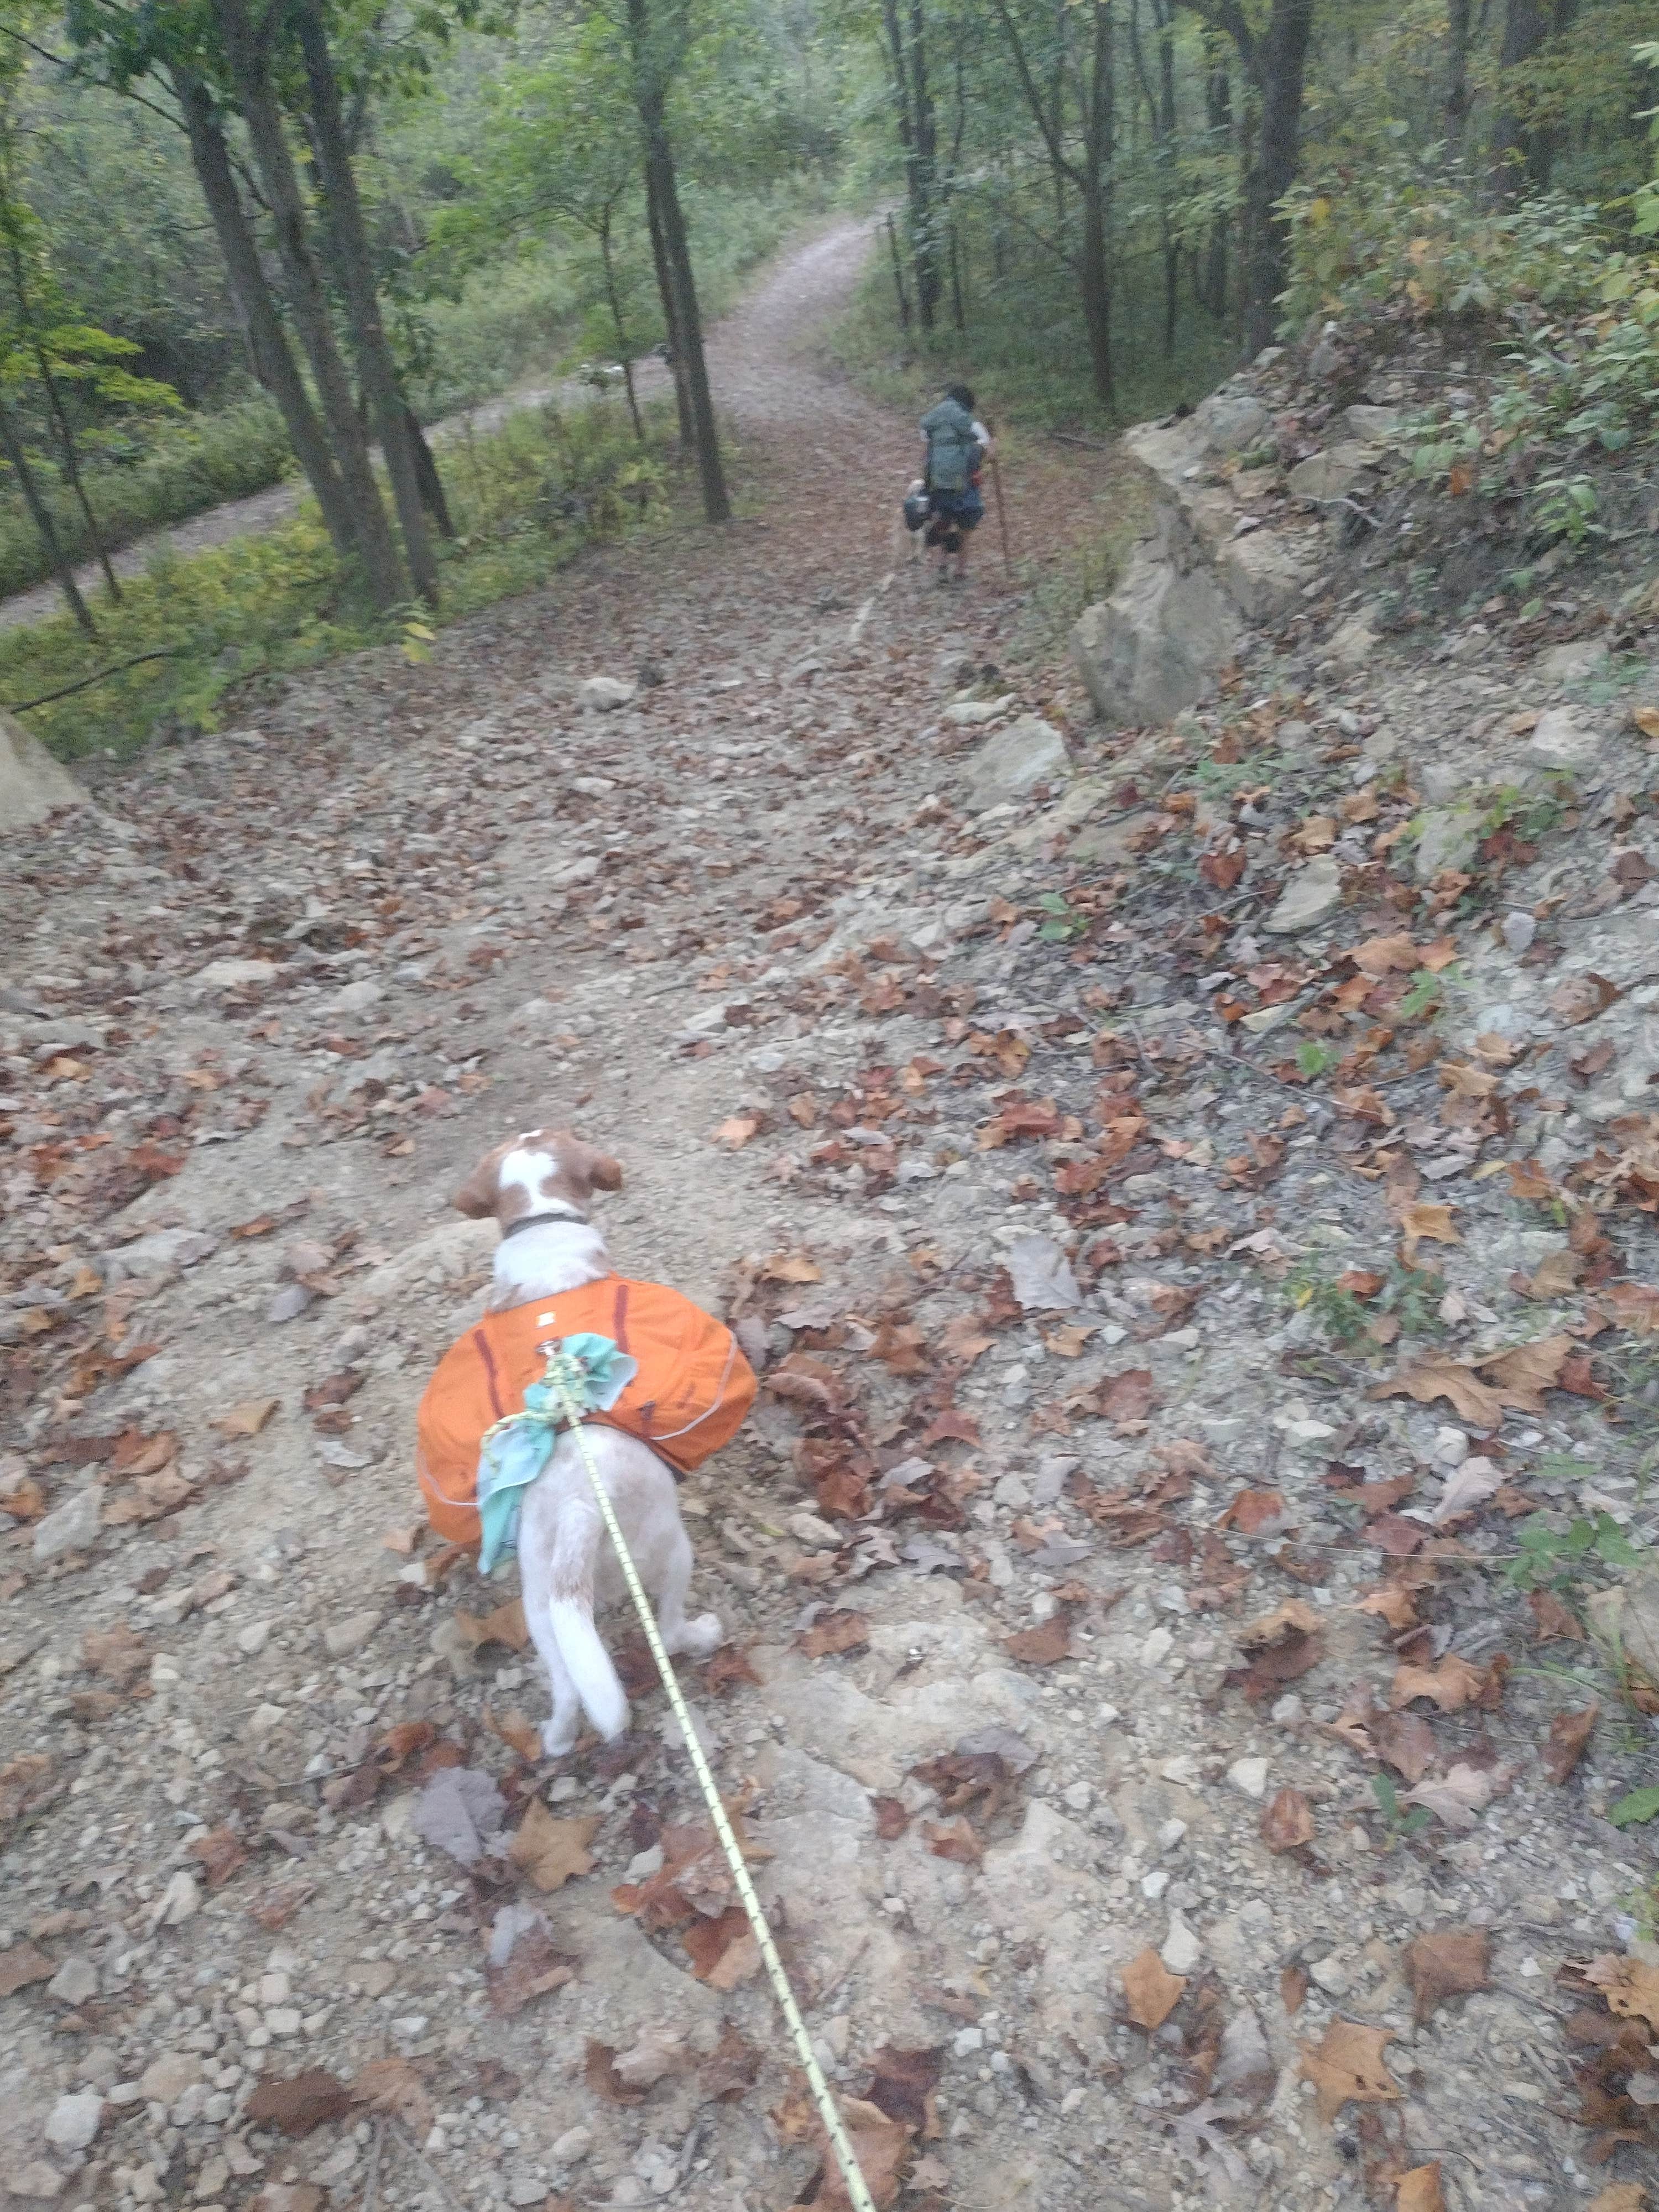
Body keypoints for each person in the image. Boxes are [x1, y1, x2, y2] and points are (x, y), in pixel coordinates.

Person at [919, 383, 993, 587]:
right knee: (965, 529)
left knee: (944, 521)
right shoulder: (973, 425)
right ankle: (960, 573)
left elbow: (925, 452)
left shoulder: (932, 423)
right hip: (965, 485)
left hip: (938, 483)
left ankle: (941, 568)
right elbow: (989, 454)